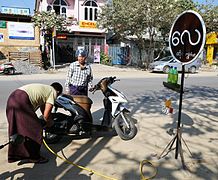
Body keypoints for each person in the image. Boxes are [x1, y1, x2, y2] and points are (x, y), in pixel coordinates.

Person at [6, 82, 63, 164]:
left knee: (18, 129)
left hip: (13, 98)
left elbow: (43, 110)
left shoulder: (45, 89)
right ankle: (34, 157)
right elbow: (46, 115)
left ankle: (18, 155)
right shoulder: (53, 92)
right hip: (21, 101)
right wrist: (50, 123)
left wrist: (45, 119)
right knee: (36, 129)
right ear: (58, 92)